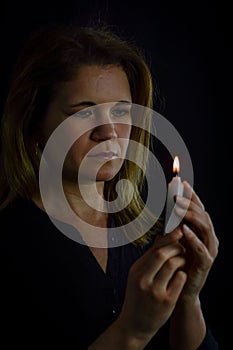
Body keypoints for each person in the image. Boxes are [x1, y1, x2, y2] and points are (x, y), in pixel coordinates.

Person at [0, 23, 219, 349]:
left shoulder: (149, 232)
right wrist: (133, 331)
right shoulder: (12, 245)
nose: (109, 132)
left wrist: (188, 297)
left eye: (121, 111)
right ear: (35, 125)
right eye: (84, 112)